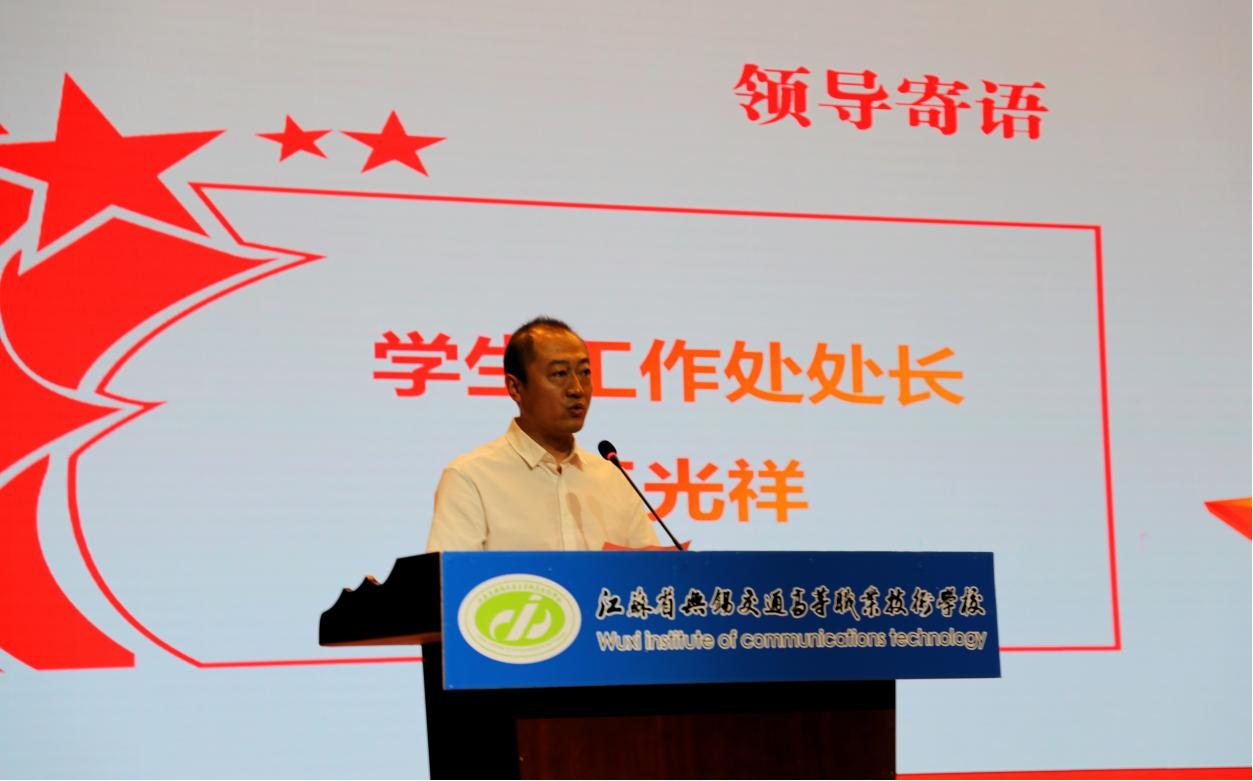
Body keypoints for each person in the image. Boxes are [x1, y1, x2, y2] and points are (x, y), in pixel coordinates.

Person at [425, 316, 661, 551]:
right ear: (515, 388)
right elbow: (453, 573)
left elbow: (653, 569)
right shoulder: (471, 478)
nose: (577, 389)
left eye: (585, 372)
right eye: (559, 373)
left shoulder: (614, 480)